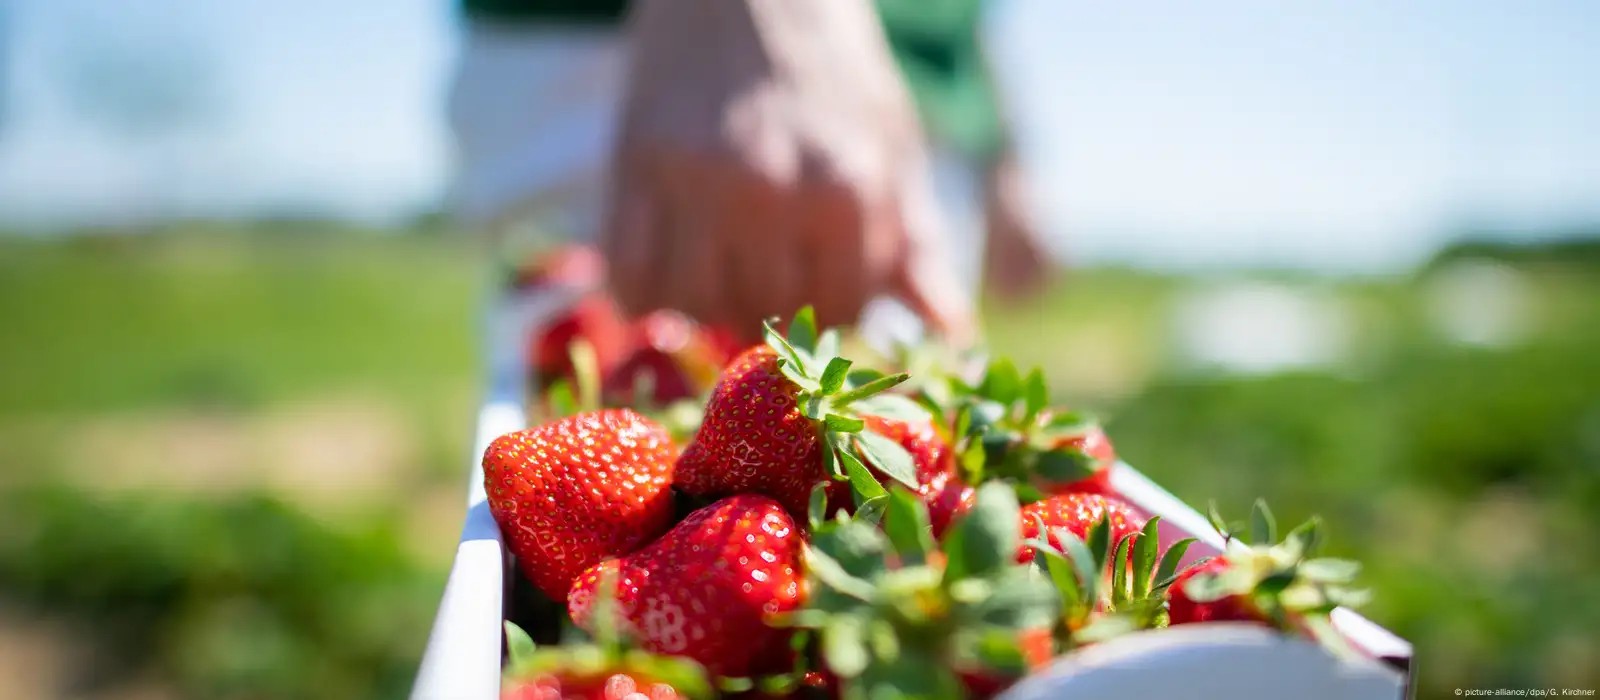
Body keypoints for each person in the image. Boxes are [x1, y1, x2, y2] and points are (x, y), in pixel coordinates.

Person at [447, 0, 1051, 345]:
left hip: (918, 88)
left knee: (892, 472)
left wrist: (1004, 152)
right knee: (597, 430)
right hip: (657, 59)